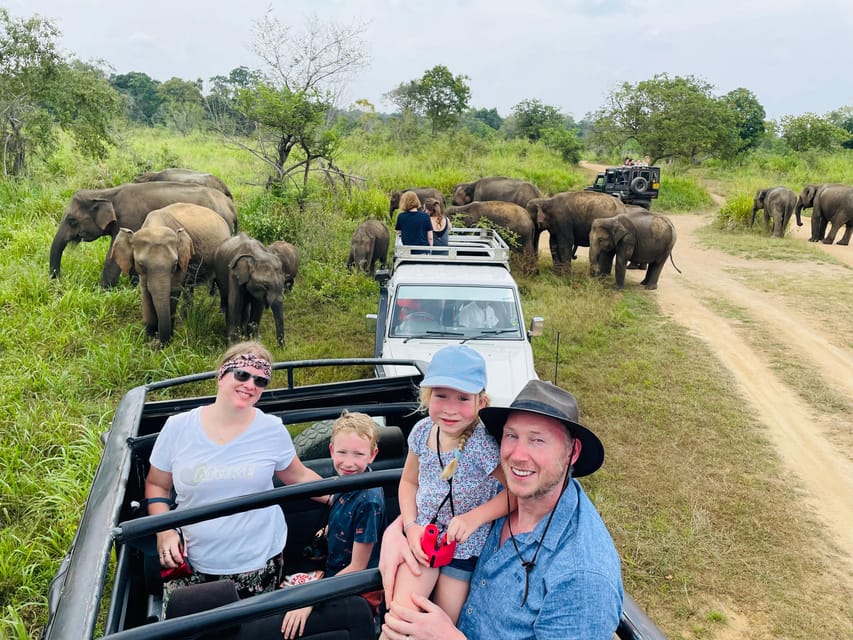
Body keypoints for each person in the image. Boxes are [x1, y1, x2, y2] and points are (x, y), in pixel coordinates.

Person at [379, 379, 624, 640]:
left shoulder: (583, 578)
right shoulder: (498, 487)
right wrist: (396, 532)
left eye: (537, 440)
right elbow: (439, 501)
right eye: (511, 436)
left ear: (572, 453)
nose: (517, 455)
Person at [145, 341, 327, 612]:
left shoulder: (271, 429)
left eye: (261, 380)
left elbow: (298, 477)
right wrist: (164, 530)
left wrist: (342, 496)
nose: (250, 384)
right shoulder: (178, 427)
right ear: (221, 375)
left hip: (257, 562)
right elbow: (157, 484)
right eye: (242, 375)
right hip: (193, 562)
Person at [378, 345, 512, 639]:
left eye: (463, 398)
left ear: (481, 401)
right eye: (441, 396)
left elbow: (514, 494)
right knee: (400, 619)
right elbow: (409, 483)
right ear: (427, 397)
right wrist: (410, 525)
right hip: (423, 542)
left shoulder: (483, 446)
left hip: (462, 550)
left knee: (440, 624)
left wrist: (474, 518)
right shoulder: (422, 432)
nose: (451, 408)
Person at [281, 410, 386, 639]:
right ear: (331, 450)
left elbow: (358, 567)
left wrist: (312, 598)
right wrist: (329, 530)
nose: (348, 463)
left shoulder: (369, 501)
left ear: (372, 455)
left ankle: (371, 625)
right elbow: (339, 507)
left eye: (358, 454)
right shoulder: (345, 480)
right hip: (335, 569)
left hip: (359, 587)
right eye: (342, 452)